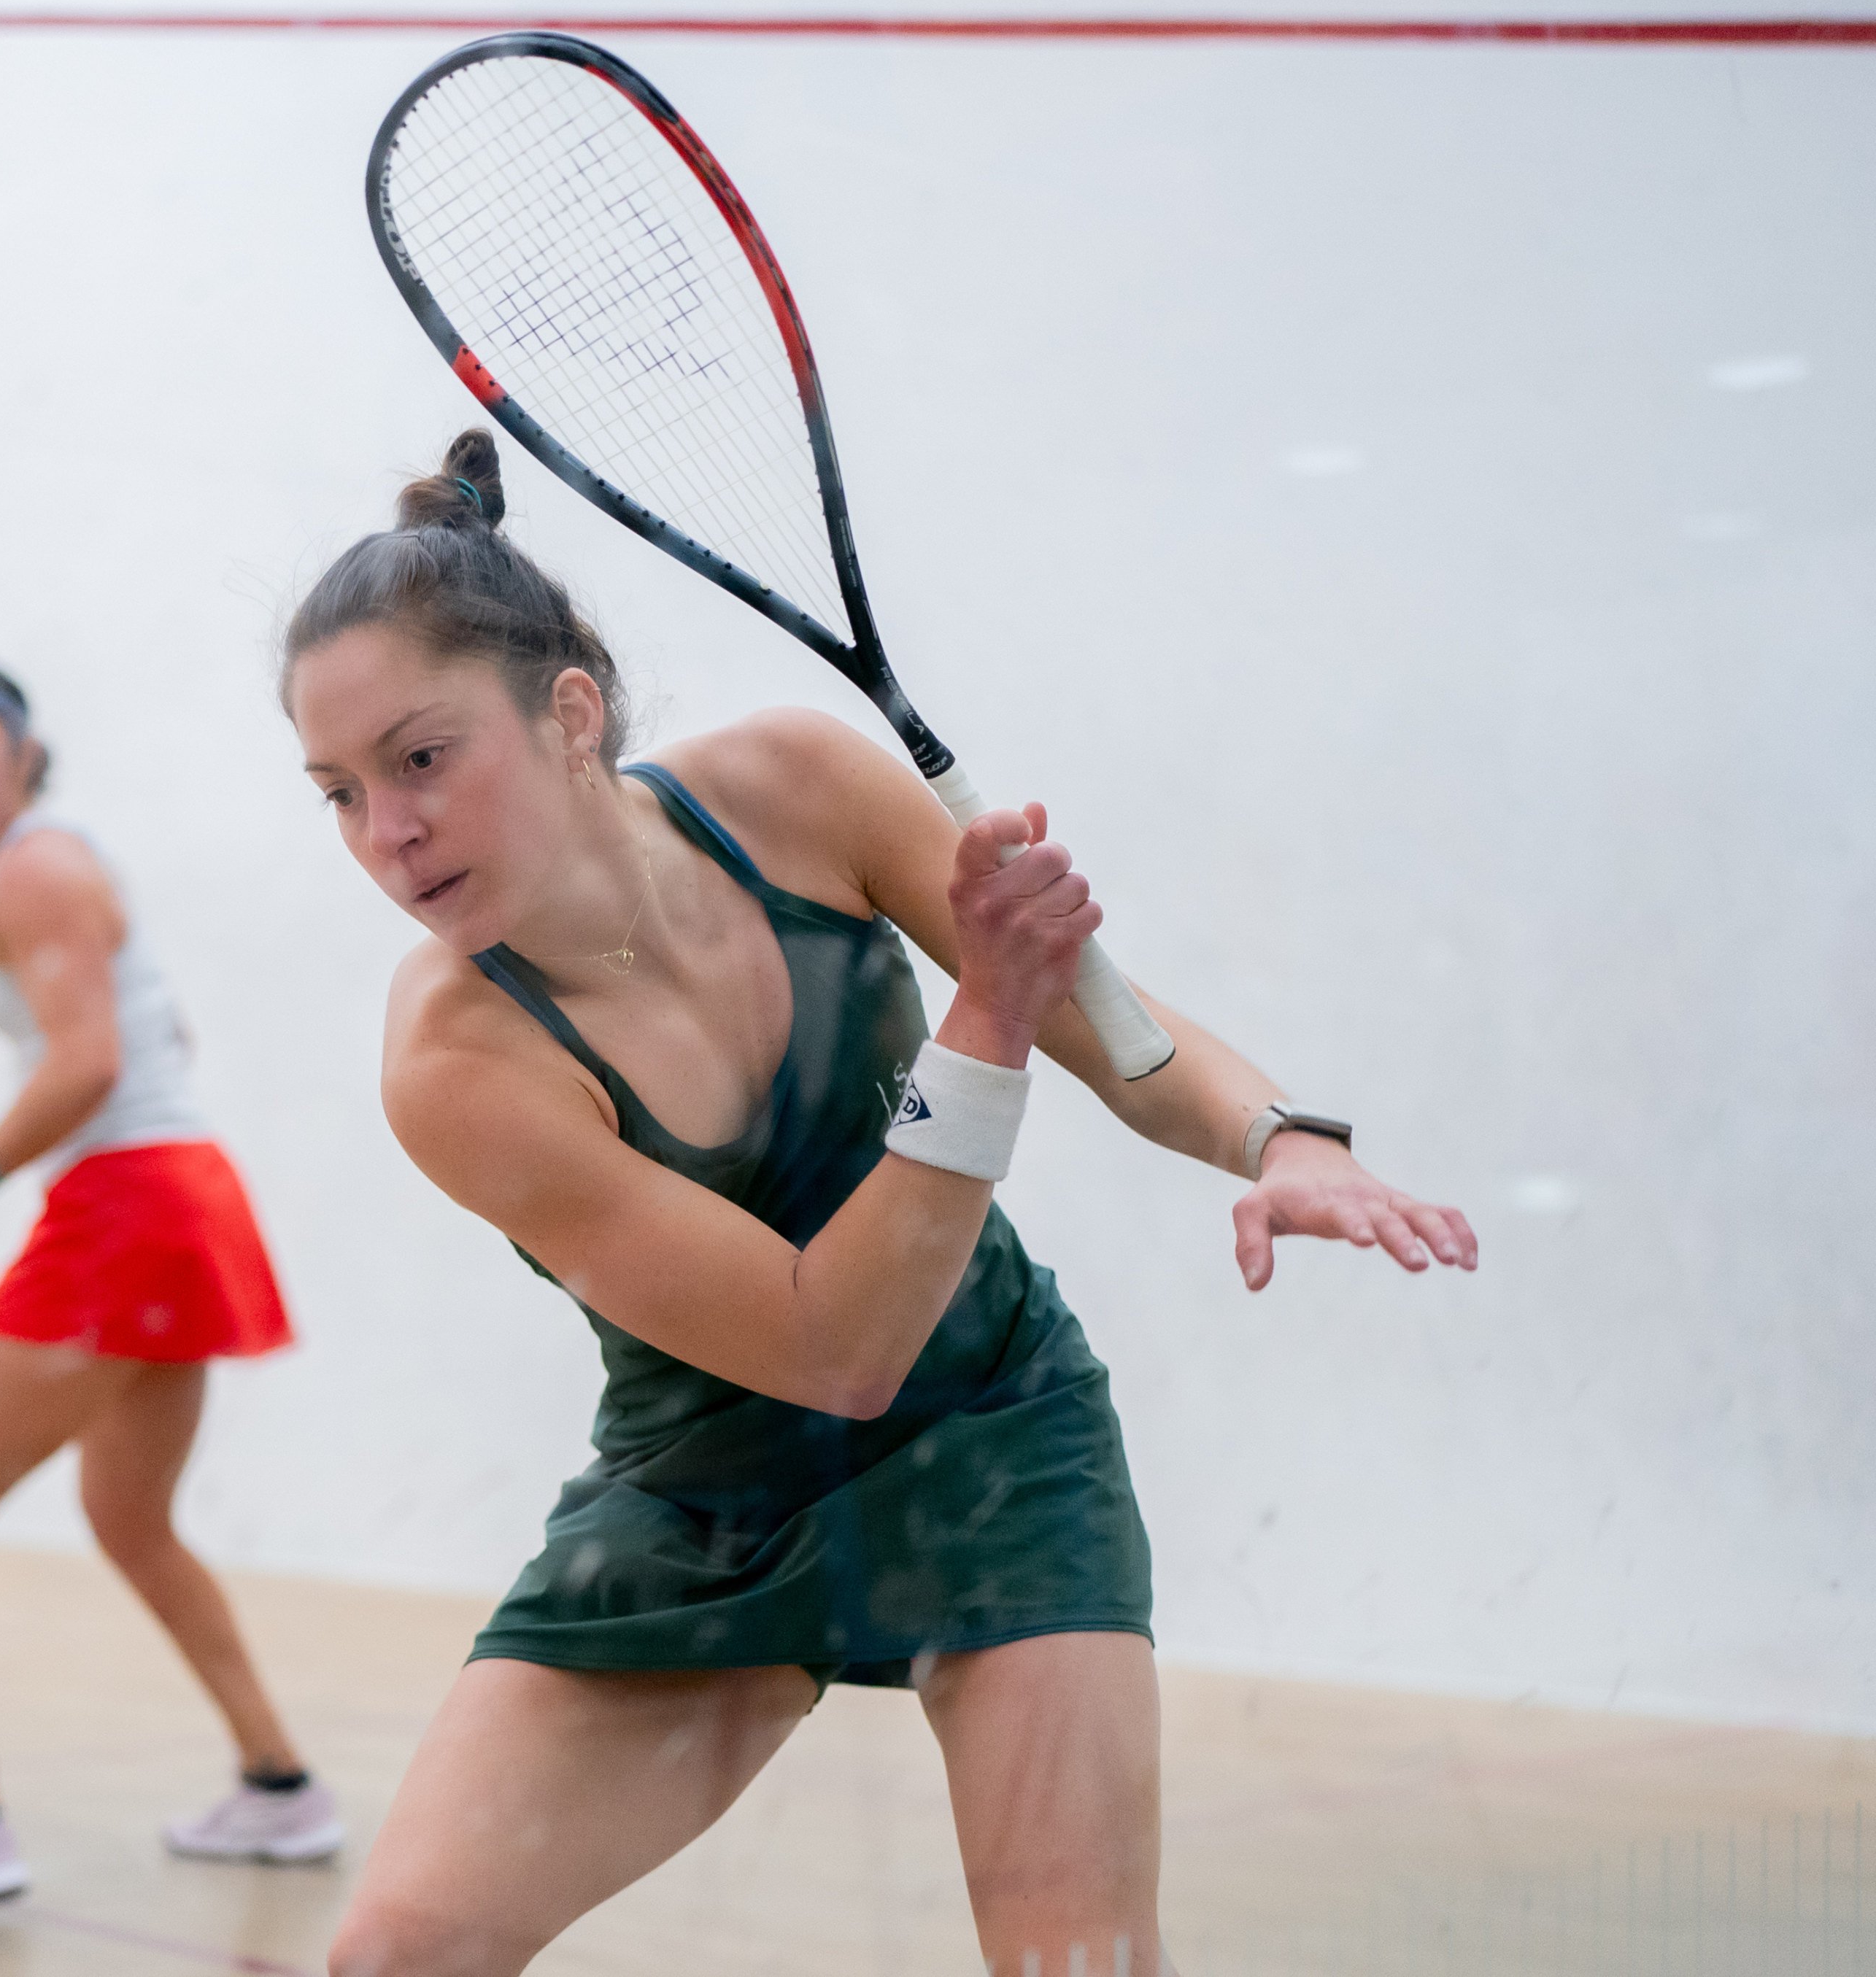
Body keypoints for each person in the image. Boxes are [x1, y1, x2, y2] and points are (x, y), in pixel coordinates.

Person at [279, 433, 1477, 1976]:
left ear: (567, 713)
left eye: (420, 757)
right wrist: (980, 1021)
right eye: (338, 792)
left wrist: (1275, 1139)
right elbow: (830, 1343)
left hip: (987, 1436)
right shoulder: (454, 1062)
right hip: (708, 1506)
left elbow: (1112, 1032)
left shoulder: (796, 789)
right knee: (396, 1960)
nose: (387, 831)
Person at [0, 654, 342, 1910]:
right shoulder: (65, 857)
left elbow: (91, 1059)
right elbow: (157, 1033)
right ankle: (280, 1788)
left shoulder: (34, 871)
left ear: (22, 751)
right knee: (130, 1515)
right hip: (181, 1196)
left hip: (132, 1206)